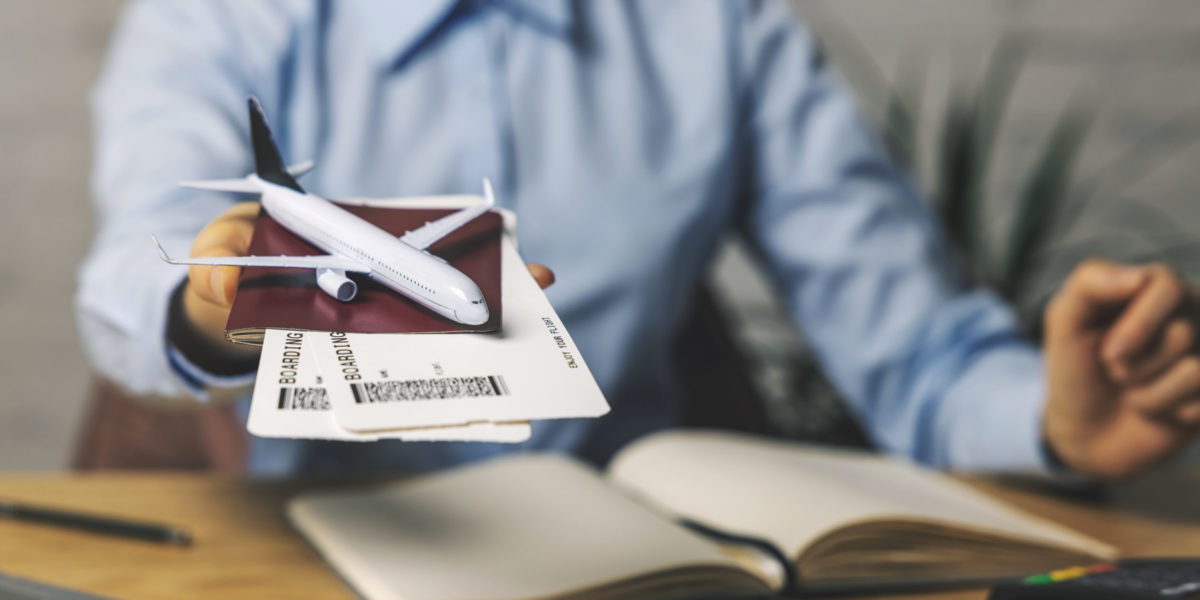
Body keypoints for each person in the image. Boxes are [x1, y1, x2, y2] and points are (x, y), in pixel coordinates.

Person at [78, 0, 1200, 478]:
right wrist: (211, 301)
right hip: (310, 554)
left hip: (632, 566)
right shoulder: (222, 15)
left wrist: (1050, 419)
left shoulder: (718, 27)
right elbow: (145, 263)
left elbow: (923, 358)